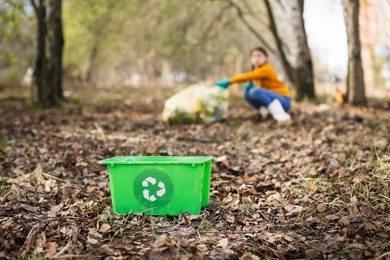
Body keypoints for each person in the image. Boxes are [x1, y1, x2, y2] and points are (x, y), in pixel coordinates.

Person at [215, 47, 291, 121]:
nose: (256, 58)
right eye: (253, 56)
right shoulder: (258, 69)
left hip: (284, 101)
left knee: (254, 91)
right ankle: (266, 112)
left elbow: (247, 76)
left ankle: (281, 115)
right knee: (247, 93)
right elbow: (254, 80)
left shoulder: (266, 69)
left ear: (266, 58)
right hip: (275, 98)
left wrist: (229, 81)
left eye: (259, 56)